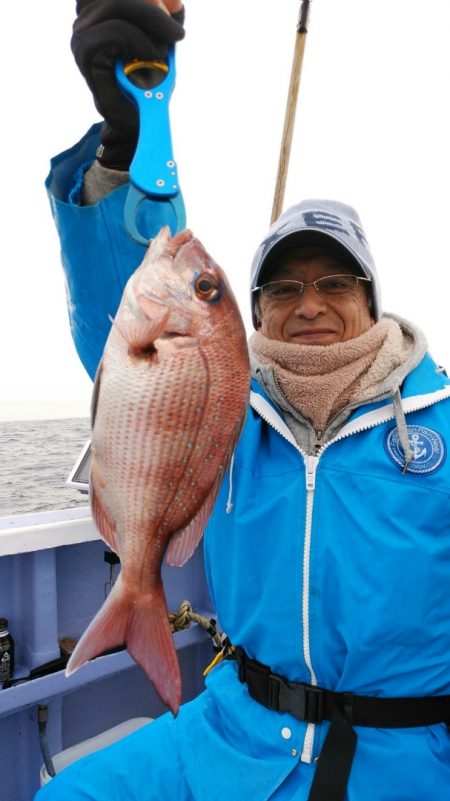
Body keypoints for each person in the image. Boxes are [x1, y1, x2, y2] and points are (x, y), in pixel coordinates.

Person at [37, 2, 450, 800]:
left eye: (335, 282)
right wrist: (126, 149)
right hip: (234, 732)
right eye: (283, 288)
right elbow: (127, 322)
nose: (309, 303)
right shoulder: (228, 408)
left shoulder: (439, 422)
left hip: (405, 759)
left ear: (371, 300)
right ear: (255, 313)